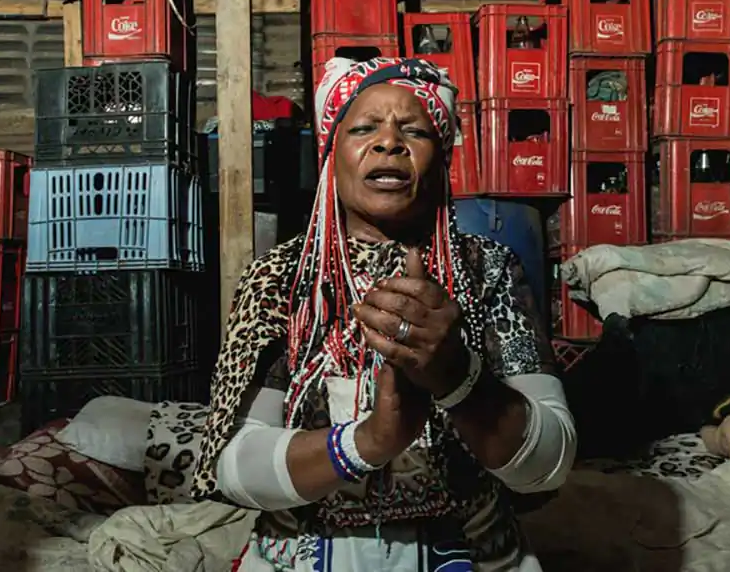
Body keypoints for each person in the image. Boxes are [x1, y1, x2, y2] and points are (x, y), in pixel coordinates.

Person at [191, 57, 577, 571]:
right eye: (364, 128)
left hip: (468, 551)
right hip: (307, 555)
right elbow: (236, 466)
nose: (389, 141)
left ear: (440, 163)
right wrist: (369, 441)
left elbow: (548, 467)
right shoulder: (283, 278)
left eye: (414, 130)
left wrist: (458, 378)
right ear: (332, 156)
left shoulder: (486, 269)